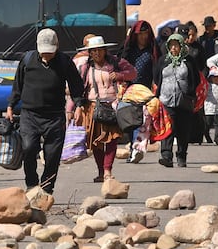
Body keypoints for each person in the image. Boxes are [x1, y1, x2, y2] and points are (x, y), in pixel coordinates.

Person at [7, 28, 85, 194]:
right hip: (30, 115)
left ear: (57, 46)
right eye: (44, 52)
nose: (46, 55)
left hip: (55, 115)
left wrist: (79, 106)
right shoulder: (27, 60)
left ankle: (47, 187)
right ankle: (31, 184)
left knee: (52, 154)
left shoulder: (64, 62)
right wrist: (10, 106)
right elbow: (17, 85)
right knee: (28, 148)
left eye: (50, 52)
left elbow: (76, 86)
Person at [71, 35, 136, 181]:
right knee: (96, 143)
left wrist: (119, 75)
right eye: (94, 51)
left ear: (105, 50)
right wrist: (73, 109)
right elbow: (78, 89)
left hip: (112, 106)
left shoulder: (116, 63)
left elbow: (133, 73)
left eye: (100, 50)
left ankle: (108, 171)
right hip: (92, 108)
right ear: (89, 52)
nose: (97, 53)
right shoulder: (85, 67)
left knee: (112, 140)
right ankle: (101, 172)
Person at [153, 33, 200, 167]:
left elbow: (195, 79)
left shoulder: (189, 60)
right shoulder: (163, 60)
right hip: (166, 100)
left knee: (183, 129)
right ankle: (166, 156)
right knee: (168, 128)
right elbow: (157, 77)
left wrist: (188, 91)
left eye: (176, 45)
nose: (173, 48)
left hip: (184, 100)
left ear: (181, 46)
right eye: (171, 45)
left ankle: (181, 156)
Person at [120, 20, 159, 163]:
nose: (143, 37)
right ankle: (133, 148)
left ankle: (137, 149)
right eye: (140, 34)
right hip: (129, 90)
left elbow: (158, 69)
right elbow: (120, 63)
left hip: (146, 90)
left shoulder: (153, 50)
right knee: (130, 120)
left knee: (143, 120)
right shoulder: (129, 50)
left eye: (145, 34)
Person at [203, 66, 218, 144]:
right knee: (208, 124)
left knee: (217, 124)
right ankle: (207, 136)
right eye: (214, 77)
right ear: (210, 77)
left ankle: (216, 138)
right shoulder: (207, 86)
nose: (216, 79)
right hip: (208, 108)